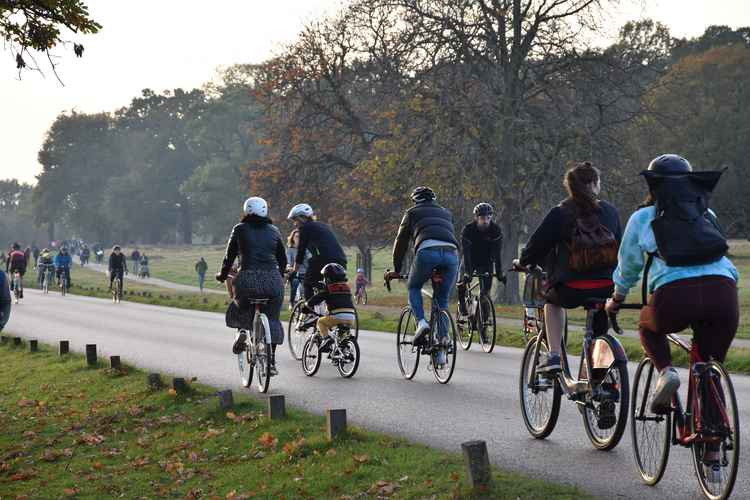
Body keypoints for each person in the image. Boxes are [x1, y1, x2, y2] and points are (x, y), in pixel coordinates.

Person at [606, 155, 738, 411]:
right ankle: (711, 444)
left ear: (653, 187)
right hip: (723, 293)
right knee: (709, 369)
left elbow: (629, 266)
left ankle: (666, 372)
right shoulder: (706, 213)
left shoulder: (643, 217)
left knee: (648, 326)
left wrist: (617, 299)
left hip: (675, 295)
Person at [514, 162, 622, 373]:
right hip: (606, 286)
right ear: (594, 184)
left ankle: (554, 356)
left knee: (551, 302)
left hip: (571, 287)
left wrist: (523, 262)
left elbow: (537, 245)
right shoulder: (609, 212)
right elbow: (620, 245)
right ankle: (600, 371)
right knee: (600, 319)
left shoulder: (561, 212)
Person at [386, 186, 459, 365]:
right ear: (433, 199)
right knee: (441, 300)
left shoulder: (411, 213)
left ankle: (421, 323)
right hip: (452, 254)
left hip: (427, 251)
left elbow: (401, 241)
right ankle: (442, 343)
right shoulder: (446, 213)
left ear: (415, 200)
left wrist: (396, 268)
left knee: (414, 286)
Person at [217, 197, 287, 376]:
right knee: (272, 318)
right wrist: (281, 276)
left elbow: (229, 257)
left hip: (247, 278)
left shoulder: (239, 229)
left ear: (246, 211)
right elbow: (283, 258)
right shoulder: (274, 230)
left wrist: (223, 275)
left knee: (240, 304)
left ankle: (242, 330)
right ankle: (271, 362)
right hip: (273, 280)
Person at [287, 203, 347, 300]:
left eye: (295, 219)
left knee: (307, 282)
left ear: (302, 217)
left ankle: (310, 310)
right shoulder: (322, 226)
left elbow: (301, 252)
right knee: (332, 287)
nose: (294, 223)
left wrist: (294, 271)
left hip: (325, 260)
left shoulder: (305, 228)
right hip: (341, 261)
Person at [457, 202, 505, 323]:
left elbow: (497, 254)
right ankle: (462, 302)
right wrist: (468, 273)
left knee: (485, 293)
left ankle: (484, 320)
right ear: (477, 218)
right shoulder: (468, 230)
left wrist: (499, 273)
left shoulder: (495, 230)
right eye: (483, 218)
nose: (485, 221)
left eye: (488, 218)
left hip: (486, 261)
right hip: (470, 259)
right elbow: (466, 253)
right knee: (462, 280)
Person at [301, 263, 356, 353]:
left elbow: (317, 298)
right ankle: (343, 349)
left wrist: (307, 305)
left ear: (329, 278)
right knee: (341, 334)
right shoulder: (347, 288)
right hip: (351, 317)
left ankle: (326, 339)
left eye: (325, 277)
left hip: (337, 316)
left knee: (321, 322)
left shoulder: (329, 288)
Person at [286, 229, 310, 308]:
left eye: (300, 237)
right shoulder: (290, 250)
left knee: (305, 289)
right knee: (295, 282)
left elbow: (310, 260)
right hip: (294, 272)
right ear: (292, 238)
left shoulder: (306, 249)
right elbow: (288, 261)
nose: (298, 239)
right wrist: (289, 266)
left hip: (306, 273)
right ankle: (291, 301)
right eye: (296, 237)